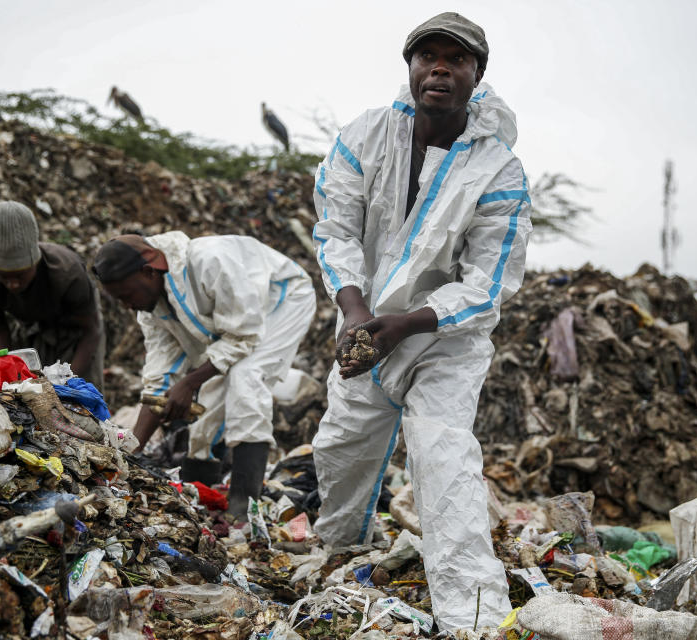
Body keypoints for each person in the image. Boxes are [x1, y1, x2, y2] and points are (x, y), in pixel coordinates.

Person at [310, 12, 531, 631]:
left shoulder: (498, 170)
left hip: (443, 340)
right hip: (366, 327)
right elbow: (337, 227)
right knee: (340, 448)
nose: (439, 68)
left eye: (454, 59)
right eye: (426, 56)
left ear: (475, 75)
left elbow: (488, 283)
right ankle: (341, 552)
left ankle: (475, 616)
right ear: (409, 68)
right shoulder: (366, 135)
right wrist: (356, 312)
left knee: (442, 461)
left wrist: (407, 323)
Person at [92, 232, 316, 517]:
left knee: (246, 378)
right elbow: (160, 378)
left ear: (148, 272)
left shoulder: (210, 262)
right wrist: (128, 453)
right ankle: (200, 496)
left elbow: (243, 337)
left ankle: (243, 510)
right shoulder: (151, 309)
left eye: (127, 296)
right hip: (238, 324)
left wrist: (189, 382)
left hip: (282, 300)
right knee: (210, 399)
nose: (127, 306)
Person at [0, 201, 105, 390]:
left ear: (35, 263)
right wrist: (2, 366)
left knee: (81, 397)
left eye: (20, 275)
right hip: (32, 327)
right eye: (4, 276)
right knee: (28, 390)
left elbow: (91, 331)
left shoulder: (68, 274)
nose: (12, 284)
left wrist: (68, 383)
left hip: (76, 332)